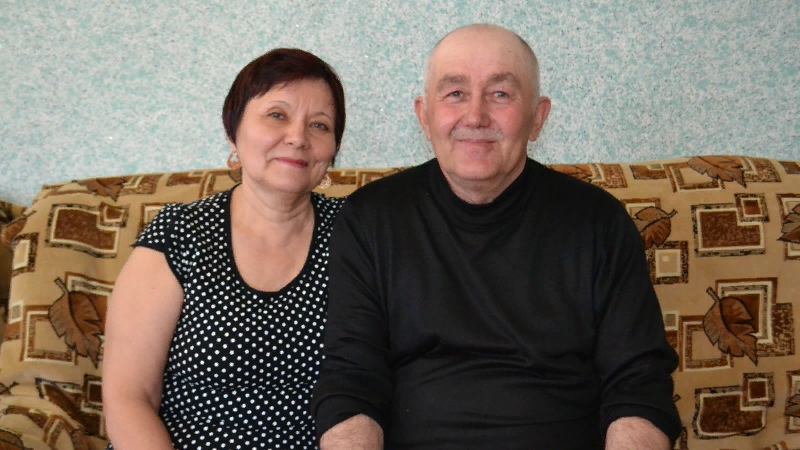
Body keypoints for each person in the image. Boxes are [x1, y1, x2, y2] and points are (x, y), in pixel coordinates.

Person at [311, 24, 681, 449]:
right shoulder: (371, 218)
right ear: (424, 117)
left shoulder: (599, 222)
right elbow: (352, 380)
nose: (475, 116)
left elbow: (638, 384)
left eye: (501, 94)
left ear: (537, 117)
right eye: (455, 93)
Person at [103, 48, 346, 449]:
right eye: (277, 115)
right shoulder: (180, 233)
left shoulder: (357, 233)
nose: (298, 138)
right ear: (234, 132)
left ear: (333, 149)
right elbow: (128, 398)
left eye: (319, 125)